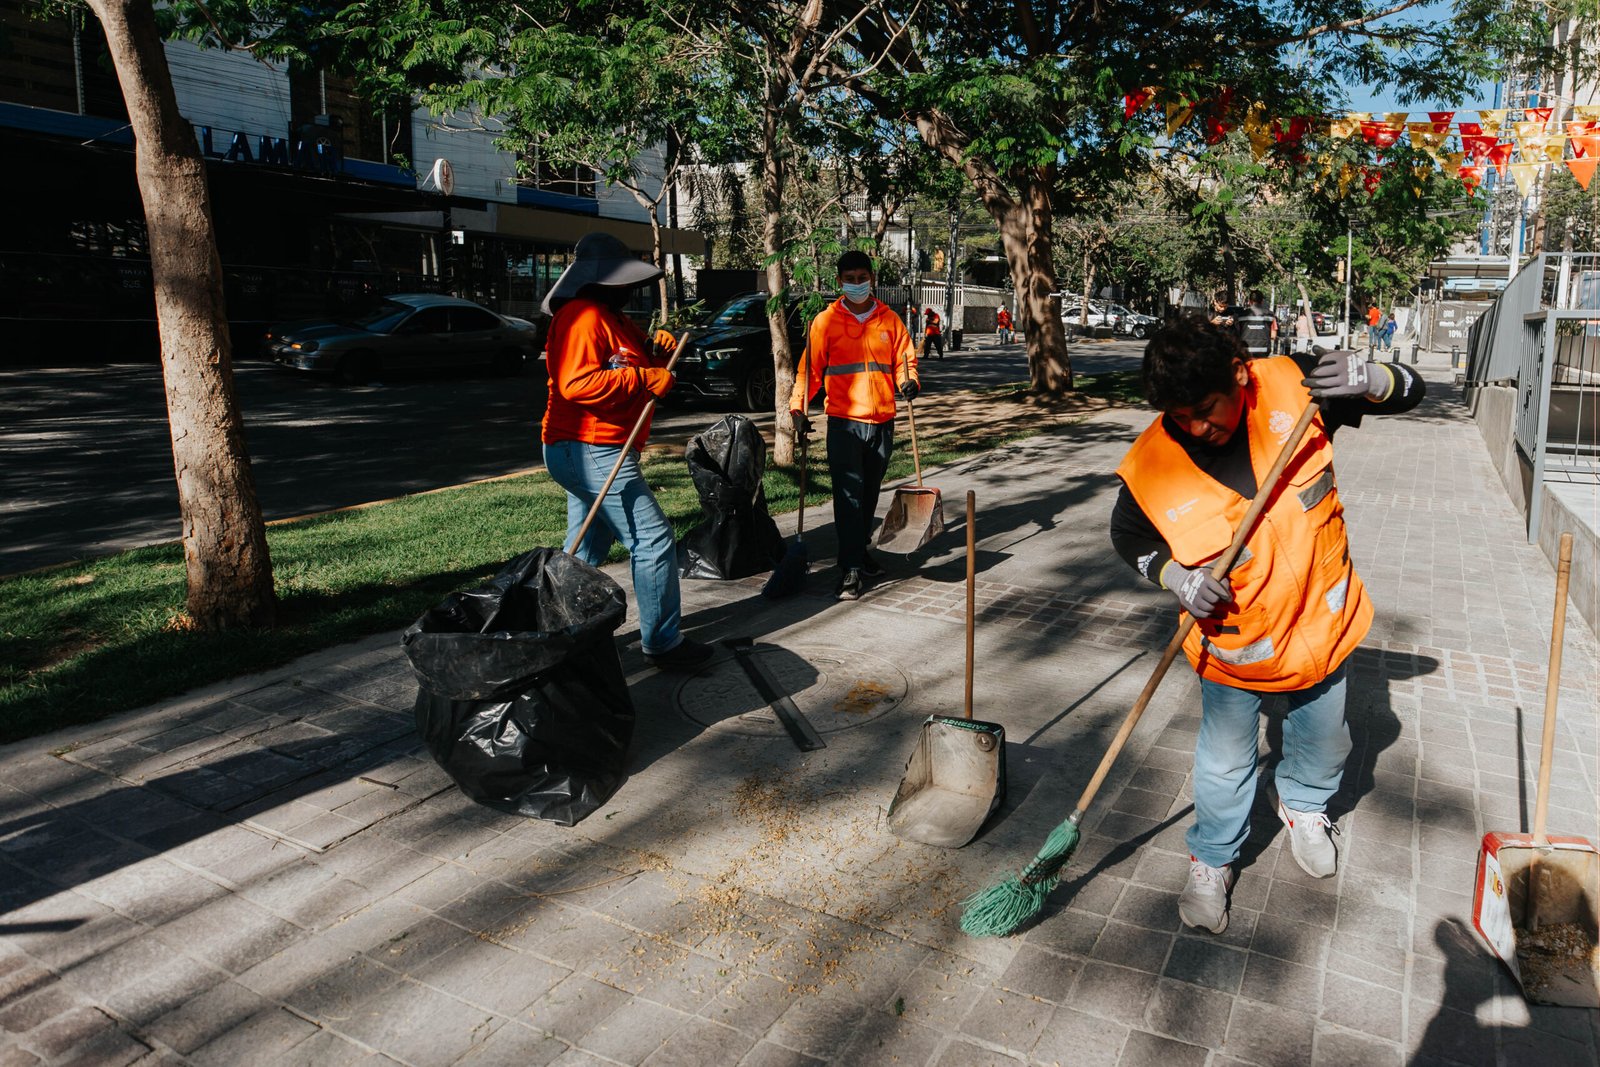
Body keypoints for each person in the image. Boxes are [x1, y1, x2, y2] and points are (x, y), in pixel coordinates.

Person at [1109, 317, 1425, 935]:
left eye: (1205, 408)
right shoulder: (1151, 467)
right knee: (1225, 764)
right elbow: (1129, 537)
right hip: (1238, 650)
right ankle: (1212, 858)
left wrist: (1375, 379)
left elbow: (1414, 392)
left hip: (1322, 625)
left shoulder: (1295, 387)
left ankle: (1304, 807)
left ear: (1239, 373)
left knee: (1328, 741)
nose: (1197, 426)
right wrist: (1177, 578)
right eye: (1179, 415)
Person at [540, 232, 713, 671]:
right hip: (587, 448)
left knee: (586, 550)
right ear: (603, 280)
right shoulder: (581, 316)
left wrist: (656, 353)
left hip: (597, 449)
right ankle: (663, 643)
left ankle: (560, 634)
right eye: (625, 280)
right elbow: (575, 384)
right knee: (652, 541)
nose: (632, 288)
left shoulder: (614, 319)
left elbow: (632, 365)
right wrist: (643, 379)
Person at [790, 251, 920, 600]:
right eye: (851, 278)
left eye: (863, 277)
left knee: (868, 494)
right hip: (844, 424)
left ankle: (859, 553)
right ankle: (848, 569)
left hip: (882, 422)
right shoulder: (825, 323)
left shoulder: (889, 319)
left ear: (872, 280)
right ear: (839, 281)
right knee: (848, 497)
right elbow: (809, 371)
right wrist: (798, 409)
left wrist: (909, 380)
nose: (858, 283)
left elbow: (905, 359)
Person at [1234, 289, 1275, 359]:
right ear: (1262, 301)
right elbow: (1273, 335)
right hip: (1264, 351)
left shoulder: (1240, 315)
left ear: (1249, 301)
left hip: (1246, 352)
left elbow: (1236, 333)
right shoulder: (1270, 315)